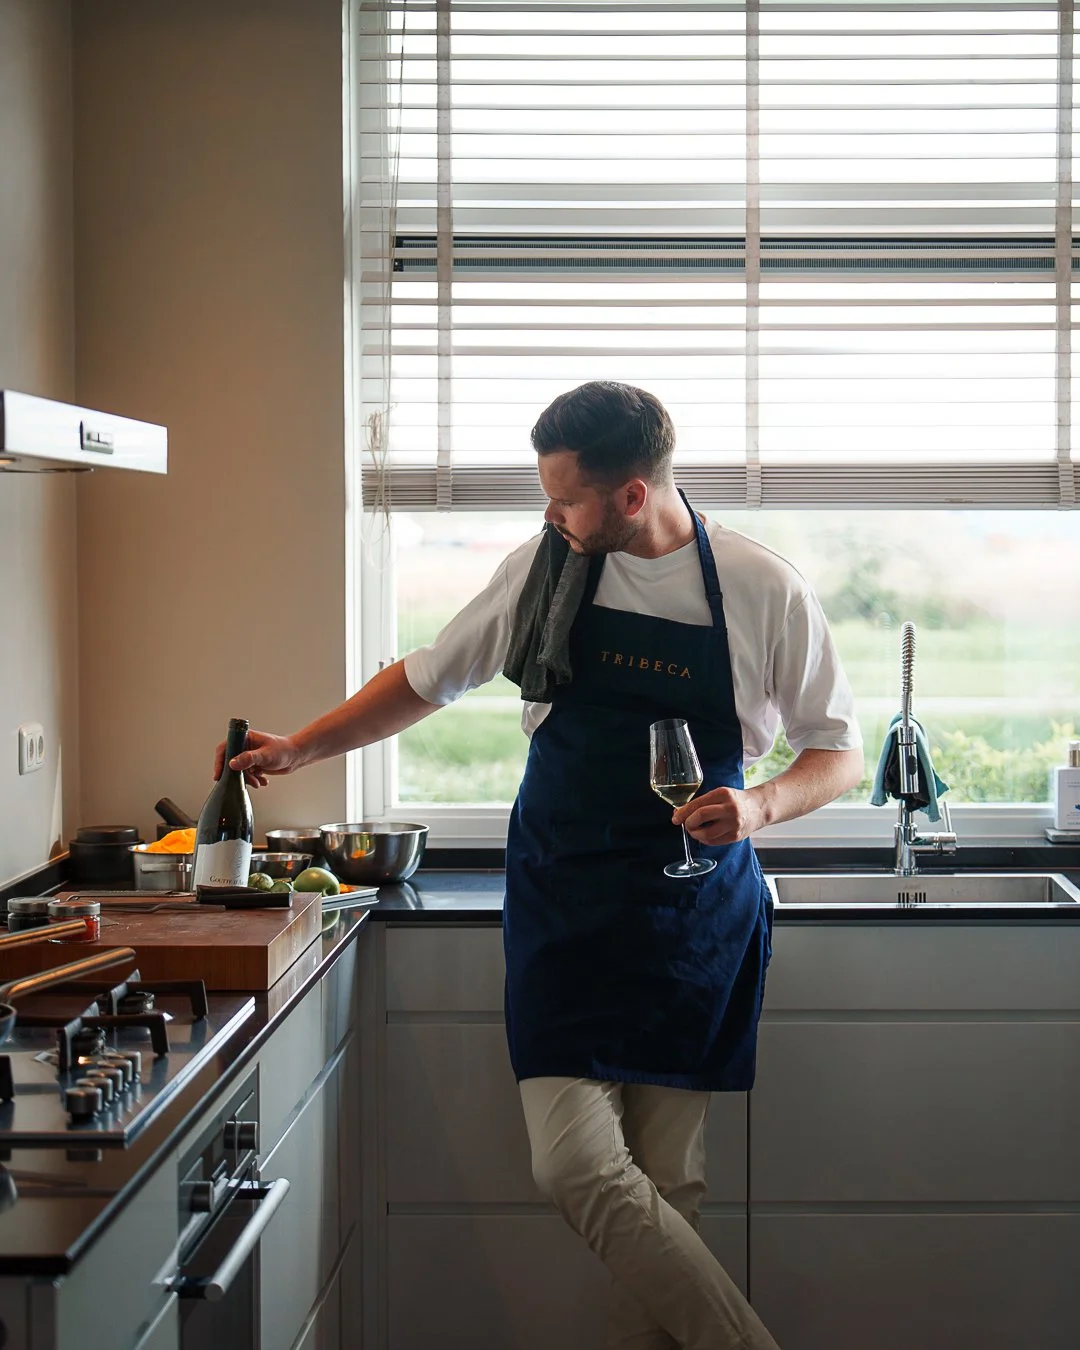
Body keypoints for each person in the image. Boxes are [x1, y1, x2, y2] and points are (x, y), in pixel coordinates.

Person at [220, 382, 863, 1350]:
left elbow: (837, 749)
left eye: (565, 498)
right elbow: (429, 677)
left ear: (634, 495)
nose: (550, 515)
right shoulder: (548, 567)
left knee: (669, 1189)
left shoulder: (760, 587)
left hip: (693, 918)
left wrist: (762, 803)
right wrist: (300, 749)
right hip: (566, 901)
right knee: (574, 1169)